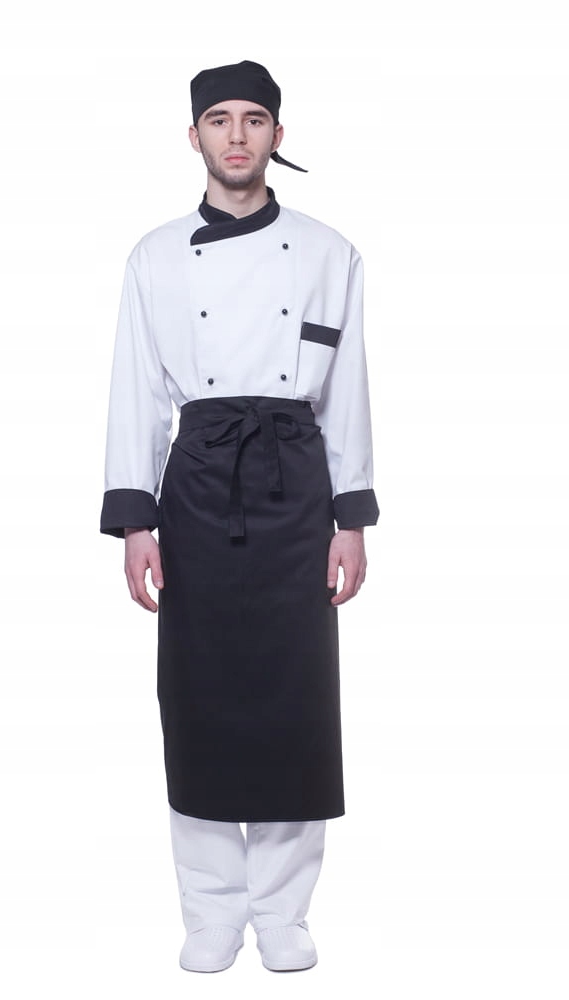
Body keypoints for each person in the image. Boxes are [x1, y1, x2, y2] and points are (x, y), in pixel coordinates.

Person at [99, 59, 379, 974]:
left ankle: (285, 912)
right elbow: (137, 392)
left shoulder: (330, 253)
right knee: (200, 697)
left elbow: (346, 392)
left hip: (297, 487)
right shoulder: (153, 257)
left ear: (276, 136)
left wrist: (350, 518)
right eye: (217, 119)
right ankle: (211, 910)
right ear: (193, 136)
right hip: (196, 485)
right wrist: (136, 522)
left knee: (296, 699)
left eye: (253, 119)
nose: (235, 135)